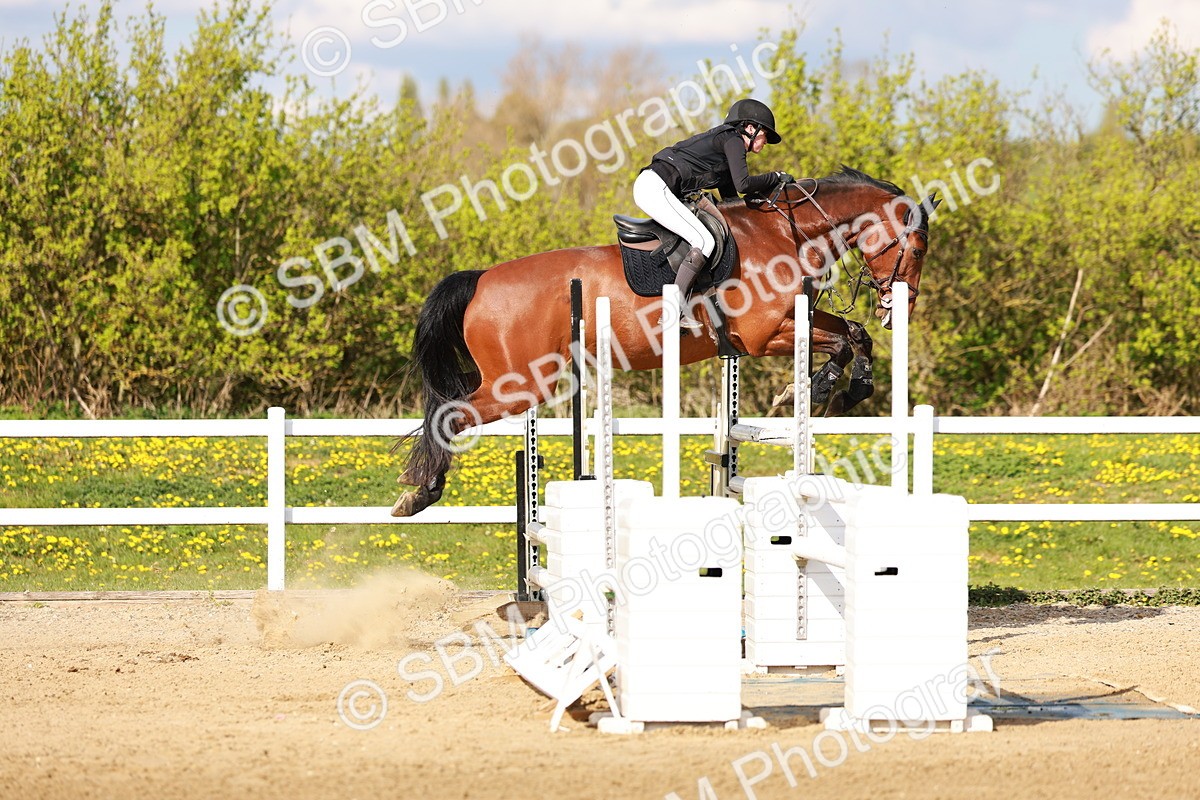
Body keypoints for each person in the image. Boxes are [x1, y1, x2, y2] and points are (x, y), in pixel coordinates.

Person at [634, 98, 792, 329]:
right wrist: (776, 177)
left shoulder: (727, 149)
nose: (766, 141)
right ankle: (672, 311)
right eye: (765, 134)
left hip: (658, 187)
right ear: (750, 128)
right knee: (703, 240)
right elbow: (744, 184)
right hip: (655, 187)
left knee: (705, 236)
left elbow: (732, 202)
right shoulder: (733, 140)